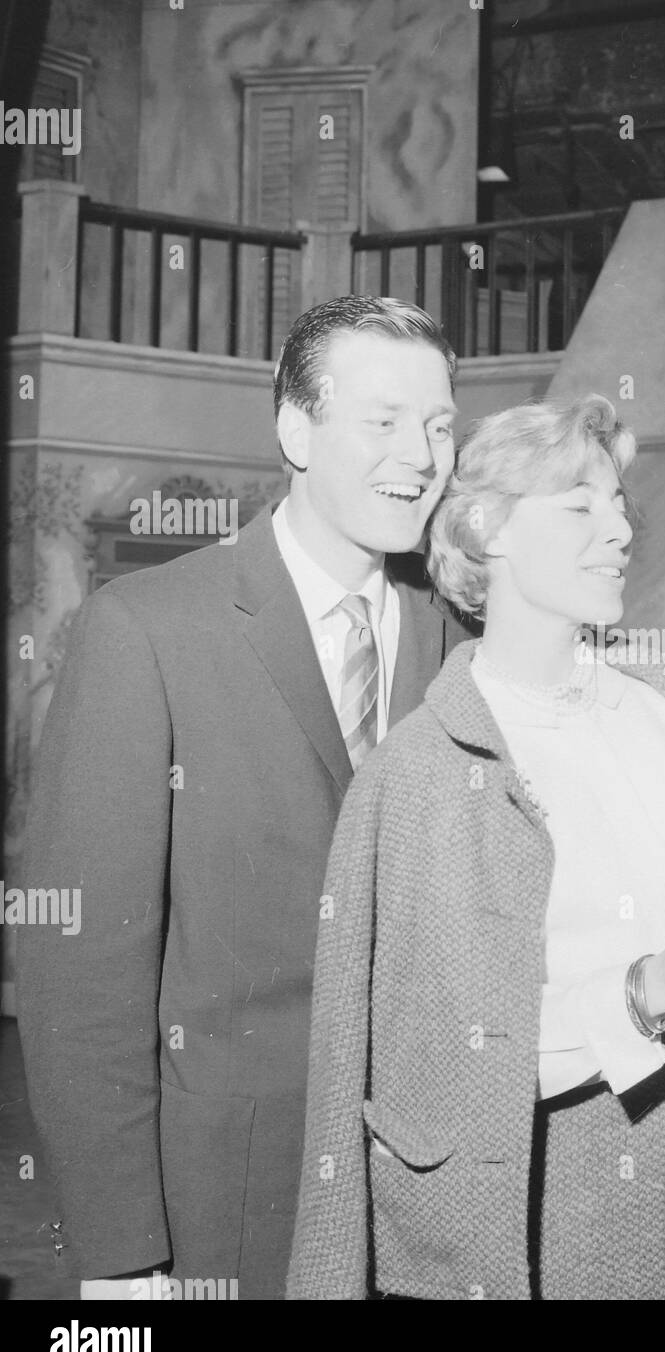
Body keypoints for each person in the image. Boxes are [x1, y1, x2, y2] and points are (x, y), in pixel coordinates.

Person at [291, 396, 665, 1300]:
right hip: (572, 1216)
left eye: (618, 505)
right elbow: (440, 1066)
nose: (618, 529)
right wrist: (650, 988)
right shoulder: (420, 772)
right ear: (483, 530)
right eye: (579, 506)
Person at [17, 295, 467, 1300]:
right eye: (383, 420)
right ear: (295, 427)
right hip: (226, 1214)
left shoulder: (453, 644)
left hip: (425, 1213)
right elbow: (83, 982)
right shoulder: (147, 629)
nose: (421, 455)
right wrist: (122, 1250)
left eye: (440, 425)